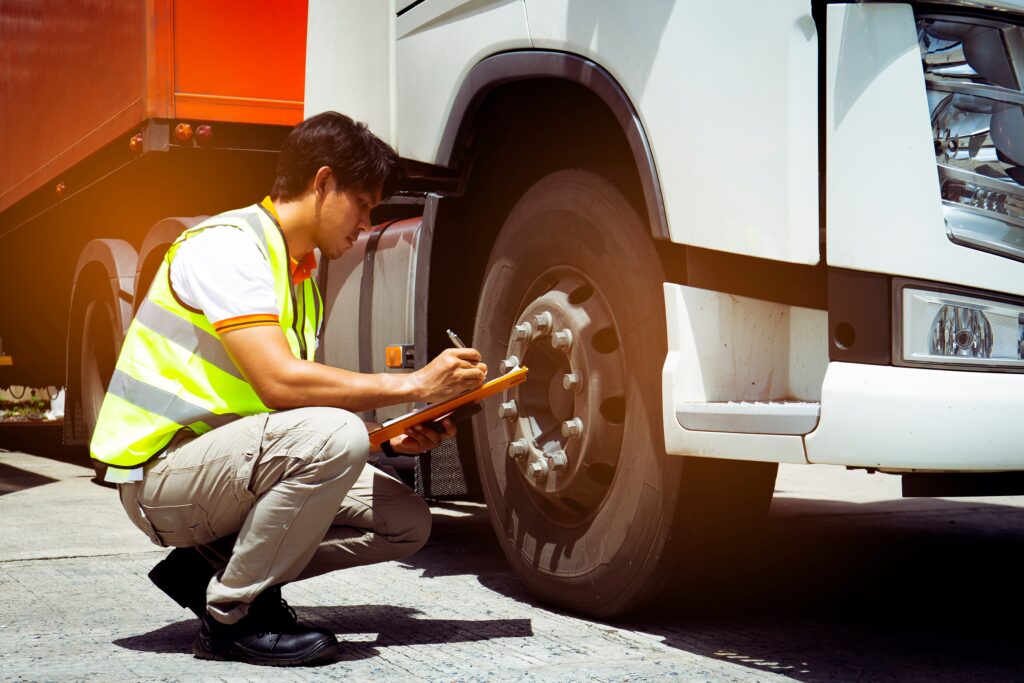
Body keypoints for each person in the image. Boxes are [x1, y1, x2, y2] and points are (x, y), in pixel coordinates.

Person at [89, 111, 487, 667]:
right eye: (364, 204)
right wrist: (417, 382)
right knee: (337, 433)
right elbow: (279, 385)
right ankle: (233, 617)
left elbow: (289, 423)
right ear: (322, 183)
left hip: (221, 469)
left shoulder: (299, 279)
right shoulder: (230, 247)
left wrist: (391, 441)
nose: (366, 224)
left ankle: (207, 569)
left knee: (406, 522)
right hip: (162, 475)